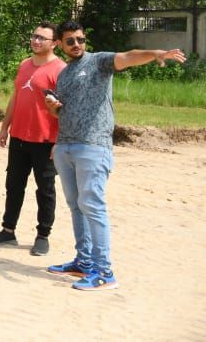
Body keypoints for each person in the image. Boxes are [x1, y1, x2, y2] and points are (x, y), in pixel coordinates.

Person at [44, 20, 186, 291]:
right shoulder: (64, 73)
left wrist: (155, 54)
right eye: (70, 41)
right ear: (59, 44)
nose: (77, 45)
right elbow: (60, 112)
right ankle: (83, 262)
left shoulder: (99, 62)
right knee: (76, 206)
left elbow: (129, 57)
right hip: (65, 146)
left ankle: (105, 272)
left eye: (80, 39)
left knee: (93, 206)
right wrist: (52, 106)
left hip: (92, 147)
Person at [0, 22, 65, 256]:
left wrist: (59, 141)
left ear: (55, 43)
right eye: (34, 36)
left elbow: (64, 109)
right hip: (19, 137)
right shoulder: (24, 65)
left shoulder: (60, 70)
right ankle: (8, 231)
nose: (36, 41)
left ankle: (42, 236)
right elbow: (16, 97)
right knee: (14, 186)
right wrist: (4, 128)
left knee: (45, 190)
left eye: (42, 38)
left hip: (46, 141)